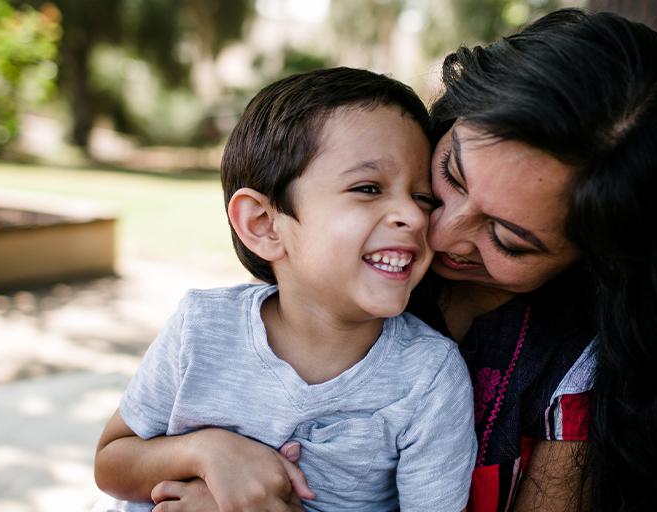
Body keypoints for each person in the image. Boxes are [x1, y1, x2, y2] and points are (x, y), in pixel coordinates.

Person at [101, 7, 657, 511]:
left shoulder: (554, 375)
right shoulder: (286, 295)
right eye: (450, 177)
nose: (441, 230)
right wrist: (207, 452)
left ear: (598, 260)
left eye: (510, 239)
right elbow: (122, 455)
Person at [93, 67, 477, 512]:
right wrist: (208, 452)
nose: (412, 216)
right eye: (368, 188)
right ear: (263, 225)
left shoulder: (428, 378)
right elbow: (111, 464)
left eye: (422, 197)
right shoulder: (202, 327)